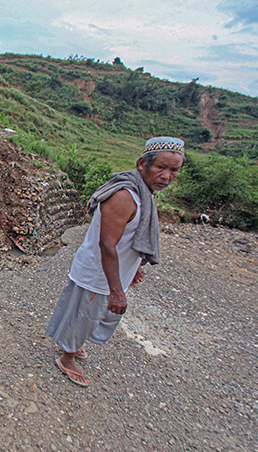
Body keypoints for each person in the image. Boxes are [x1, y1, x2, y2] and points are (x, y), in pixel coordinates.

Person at [45, 136, 185, 387]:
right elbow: (107, 245)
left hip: (108, 272)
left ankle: (72, 347)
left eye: (174, 170)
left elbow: (130, 238)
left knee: (88, 314)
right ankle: (67, 358)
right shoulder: (125, 197)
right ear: (142, 163)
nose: (167, 176)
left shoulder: (144, 193)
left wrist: (135, 268)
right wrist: (116, 291)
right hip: (98, 272)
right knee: (86, 314)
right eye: (160, 167)